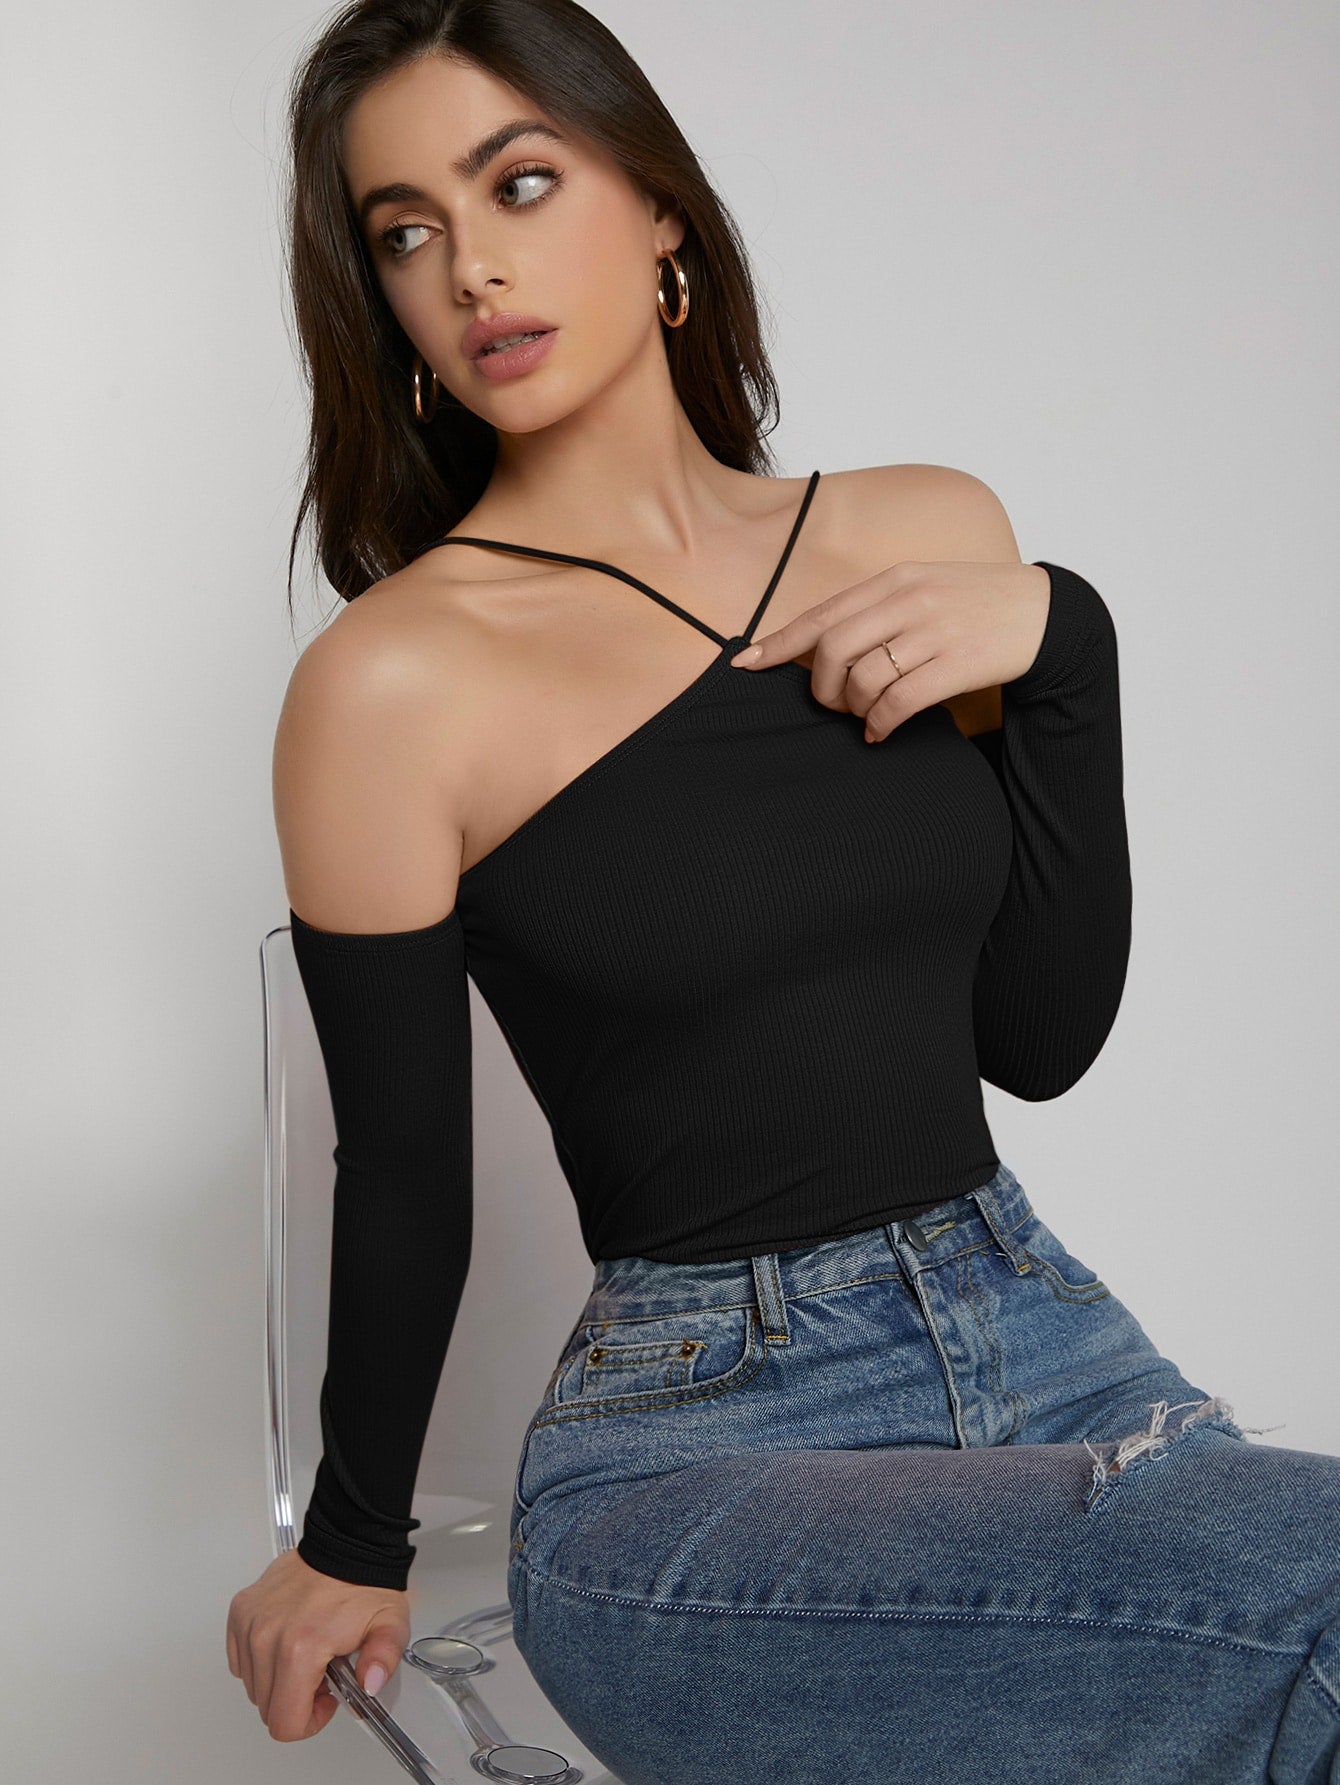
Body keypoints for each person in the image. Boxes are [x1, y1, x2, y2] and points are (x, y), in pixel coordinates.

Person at [226, 1, 1340, 1777]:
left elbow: (1035, 1036)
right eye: (408, 231)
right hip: (699, 1455)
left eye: (521, 183)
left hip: (1048, 1336)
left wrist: (1070, 644)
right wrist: (352, 1541)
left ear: (659, 206)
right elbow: (406, 1164)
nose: (471, 266)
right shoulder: (393, 684)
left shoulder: (924, 534)